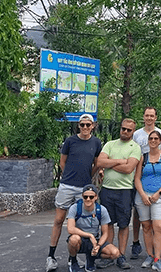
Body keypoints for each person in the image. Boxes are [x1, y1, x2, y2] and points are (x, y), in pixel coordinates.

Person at [47, 114, 103, 272]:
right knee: (59, 220)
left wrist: (89, 177)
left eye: (88, 125)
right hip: (67, 186)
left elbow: (96, 163)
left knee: (81, 223)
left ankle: (73, 257)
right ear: (79, 126)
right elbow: (62, 162)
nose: (85, 128)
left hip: (83, 189)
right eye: (82, 125)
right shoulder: (70, 141)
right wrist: (69, 176)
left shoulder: (96, 142)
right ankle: (50, 256)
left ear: (93, 126)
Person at [96, 118, 142, 269]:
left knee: (123, 224)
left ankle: (121, 255)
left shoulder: (135, 147)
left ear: (133, 131)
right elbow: (100, 163)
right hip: (107, 190)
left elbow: (129, 169)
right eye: (123, 129)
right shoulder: (110, 144)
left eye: (129, 130)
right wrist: (121, 161)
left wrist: (111, 162)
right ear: (120, 128)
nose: (125, 132)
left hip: (124, 191)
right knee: (107, 224)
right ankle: (110, 254)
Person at [131, 107, 161, 259]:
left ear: (155, 117)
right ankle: (136, 243)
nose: (149, 118)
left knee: (157, 224)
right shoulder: (137, 134)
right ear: (144, 117)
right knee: (140, 218)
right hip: (140, 176)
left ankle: (157, 254)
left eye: (151, 115)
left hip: (157, 180)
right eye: (146, 115)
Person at [134, 130, 161, 271]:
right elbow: (137, 178)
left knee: (158, 226)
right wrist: (143, 195)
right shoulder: (143, 158)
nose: (154, 141)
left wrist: (159, 192)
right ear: (148, 140)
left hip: (159, 196)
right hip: (143, 195)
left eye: (156, 138)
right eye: (151, 138)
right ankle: (149, 255)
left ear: (160, 141)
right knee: (146, 226)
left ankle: (158, 259)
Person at [65, 184, 120, 272]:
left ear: (96, 197)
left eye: (91, 197)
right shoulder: (75, 208)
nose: (88, 199)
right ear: (82, 197)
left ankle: (91, 258)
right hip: (81, 239)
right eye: (85, 196)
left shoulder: (102, 210)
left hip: (95, 240)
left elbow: (105, 233)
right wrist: (90, 235)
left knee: (115, 253)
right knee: (74, 239)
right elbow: (70, 229)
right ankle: (73, 260)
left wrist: (98, 246)